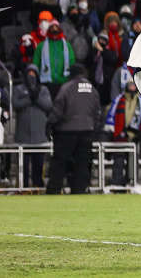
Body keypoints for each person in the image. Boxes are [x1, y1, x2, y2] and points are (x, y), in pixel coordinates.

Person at [45, 63, 102, 195]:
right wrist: (94, 129)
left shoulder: (67, 88)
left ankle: (54, 189)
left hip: (66, 131)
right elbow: (97, 113)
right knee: (82, 163)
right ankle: (79, 189)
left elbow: (58, 109)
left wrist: (50, 125)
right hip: (87, 131)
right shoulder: (92, 89)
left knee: (59, 162)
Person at [12, 64, 53, 187]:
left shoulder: (43, 90)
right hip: (23, 135)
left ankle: (38, 187)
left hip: (39, 135)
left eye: (34, 74)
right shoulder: (18, 89)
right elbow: (16, 104)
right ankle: (23, 187)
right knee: (23, 165)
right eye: (29, 74)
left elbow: (48, 105)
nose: (31, 76)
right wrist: (30, 99)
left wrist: (37, 98)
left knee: (38, 164)